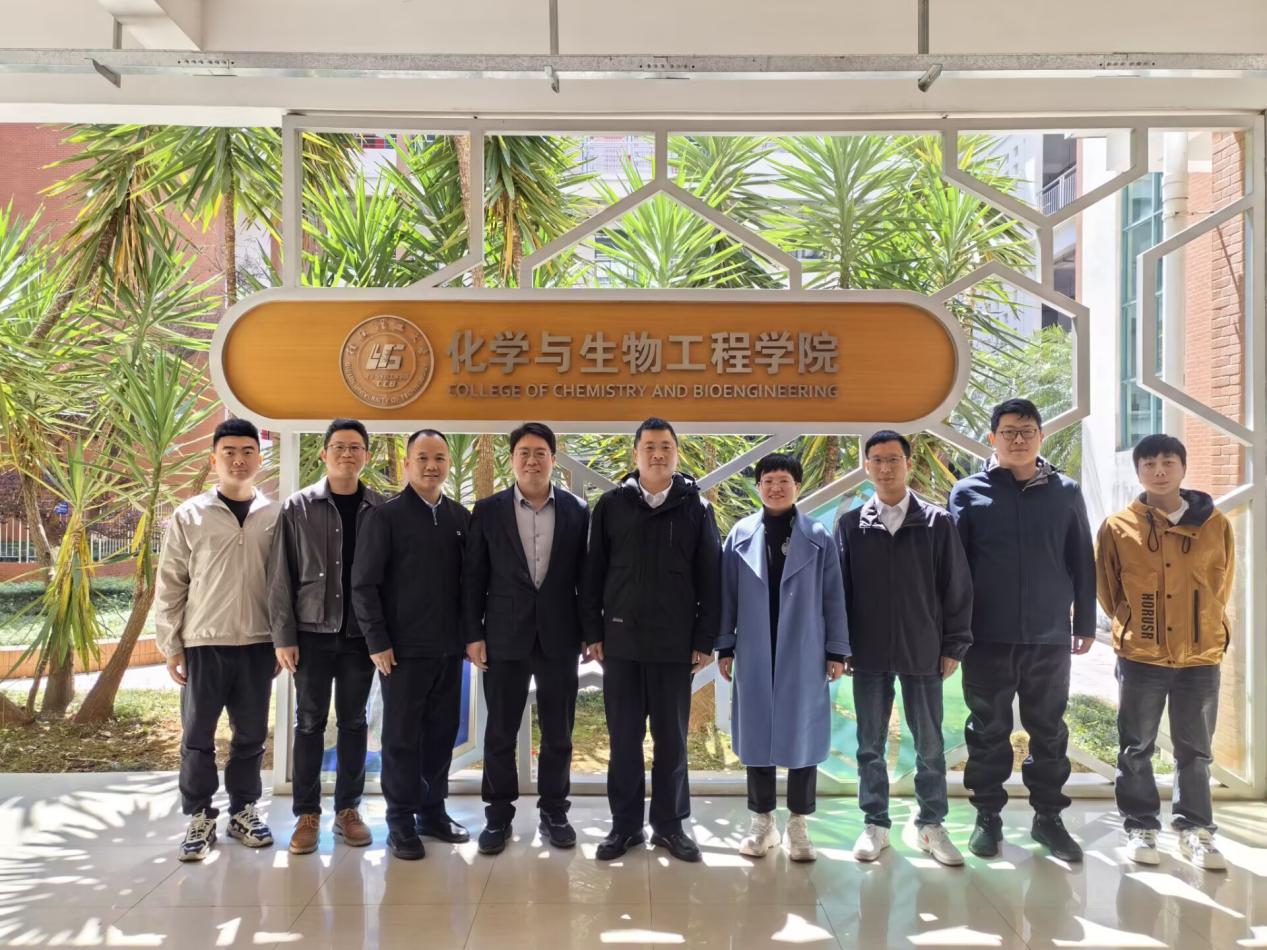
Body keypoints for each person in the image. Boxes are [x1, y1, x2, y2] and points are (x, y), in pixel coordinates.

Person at [948, 398, 1096, 862]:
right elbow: (954, 569)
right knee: (987, 730)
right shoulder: (968, 492)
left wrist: (1085, 622)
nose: (1018, 439)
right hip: (985, 636)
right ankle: (987, 816)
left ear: (1041, 436)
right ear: (992, 438)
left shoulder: (1065, 491)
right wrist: (954, 631)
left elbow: (1082, 559)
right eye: (1009, 431)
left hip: (1048, 635)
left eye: (1027, 430)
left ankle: (1048, 818)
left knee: (1049, 730)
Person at [581, 417, 722, 863]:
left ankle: (670, 826)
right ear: (635, 454)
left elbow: (711, 578)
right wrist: (593, 632)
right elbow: (592, 573)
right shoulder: (611, 506)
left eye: (665, 447)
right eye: (649, 447)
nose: (657, 454)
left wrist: (704, 638)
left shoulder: (696, 508)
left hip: (674, 647)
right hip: (621, 644)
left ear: (676, 453)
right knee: (623, 741)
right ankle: (624, 827)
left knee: (671, 741)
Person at [1096, 433, 1235, 870]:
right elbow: (1108, 589)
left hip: (1200, 656)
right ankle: (1140, 826)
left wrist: (1205, 624)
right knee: (1135, 745)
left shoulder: (1215, 524)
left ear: (1183, 467)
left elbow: (1222, 584)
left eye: (1168, 462)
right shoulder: (1118, 526)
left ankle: (1196, 829)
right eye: (1150, 464)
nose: (1159, 471)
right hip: (1142, 655)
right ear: (1138, 471)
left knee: (1195, 750)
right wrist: (1137, 623)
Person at [835, 431, 973, 867]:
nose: (885, 467)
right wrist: (840, 646)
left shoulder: (937, 522)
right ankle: (875, 823)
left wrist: (954, 644)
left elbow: (957, 588)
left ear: (908, 463)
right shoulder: (851, 525)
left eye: (893, 458)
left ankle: (931, 825)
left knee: (929, 745)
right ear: (866, 466)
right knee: (869, 745)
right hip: (868, 652)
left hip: (923, 650)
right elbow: (839, 591)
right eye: (877, 459)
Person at [155, 418, 280, 862]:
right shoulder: (190, 515)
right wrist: (171, 644)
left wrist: (282, 640)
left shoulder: (275, 516)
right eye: (229, 452)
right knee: (197, 737)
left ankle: (244, 810)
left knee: (251, 736)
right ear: (214, 460)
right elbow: (171, 582)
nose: (238, 460)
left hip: (259, 644)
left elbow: (284, 584)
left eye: (247, 451)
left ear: (259, 459)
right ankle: (199, 816)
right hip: (203, 643)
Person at [463, 422, 589, 855]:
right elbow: (473, 578)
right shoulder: (488, 511)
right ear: (512, 459)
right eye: (524, 453)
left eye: (540, 453)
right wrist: (473, 634)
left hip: (560, 637)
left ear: (553, 458)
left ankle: (555, 811)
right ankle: (498, 816)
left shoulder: (577, 511)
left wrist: (590, 633)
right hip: (503, 636)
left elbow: (586, 579)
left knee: (559, 732)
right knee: (500, 731)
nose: (532, 461)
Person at [717, 453, 848, 863]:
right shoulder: (740, 534)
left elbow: (834, 596)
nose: (776, 488)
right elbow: (727, 595)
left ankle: (798, 824)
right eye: (769, 481)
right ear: (758, 487)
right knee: (757, 736)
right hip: (755, 646)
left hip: (804, 647)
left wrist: (836, 649)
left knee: (802, 735)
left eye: (784, 481)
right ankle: (762, 822)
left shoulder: (818, 536)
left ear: (797, 487)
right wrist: (725, 645)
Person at [351, 428, 470, 861]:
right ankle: (400, 819)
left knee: (440, 734)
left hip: (448, 650)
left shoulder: (460, 518)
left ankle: (432, 811)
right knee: (401, 739)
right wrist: (377, 641)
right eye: (422, 458)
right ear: (406, 464)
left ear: (448, 464)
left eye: (439, 458)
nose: (431, 466)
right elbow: (364, 585)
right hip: (400, 653)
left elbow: (470, 585)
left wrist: (468, 638)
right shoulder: (386, 517)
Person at [268, 418, 385, 855]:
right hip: (311, 634)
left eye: (355, 447)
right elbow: (280, 576)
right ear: (324, 454)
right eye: (339, 446)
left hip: (359, 637)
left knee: (354, 722)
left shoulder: (380, 508)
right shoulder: (298, 507)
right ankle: (307, 815)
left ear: (366, 455)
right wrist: (283, 636)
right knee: (309, 722)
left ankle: (348, 810)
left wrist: (382, 636)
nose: (347, 454)